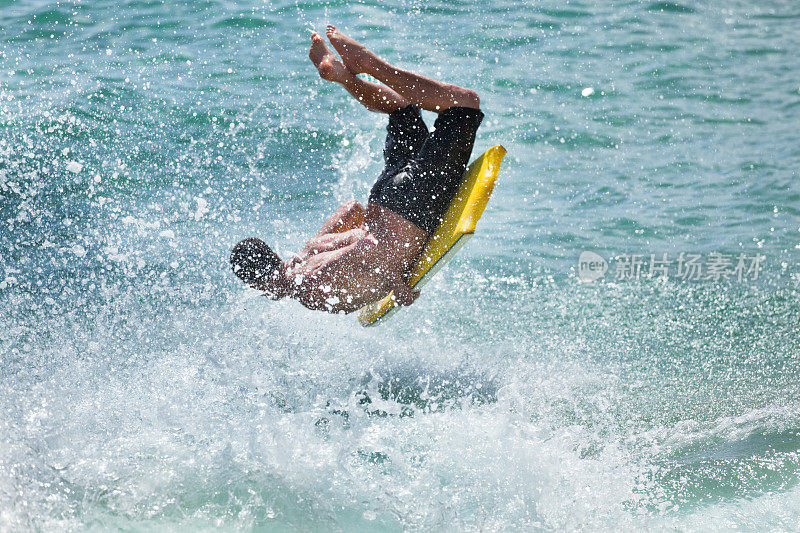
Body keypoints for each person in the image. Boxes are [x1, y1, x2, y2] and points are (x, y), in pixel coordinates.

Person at [230, 25, 483, 314]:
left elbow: (371, 251)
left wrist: (394, 282)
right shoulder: (309, 250)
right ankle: (341, 75)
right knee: (401, 107)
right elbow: (351, 208)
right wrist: (372, 235)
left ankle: (367, 64)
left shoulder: (307, 288)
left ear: (257, 287)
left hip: (410, 207)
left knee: (465, 104)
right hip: (385, 196)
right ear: (274, 255)